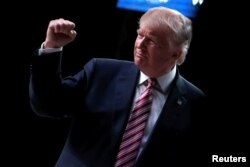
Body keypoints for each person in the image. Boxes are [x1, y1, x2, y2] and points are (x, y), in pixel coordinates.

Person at [29, 6, 207, 167]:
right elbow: (47, 104)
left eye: (151, 40)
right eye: (139, 35)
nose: (139, 45)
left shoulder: (195, 102)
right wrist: (52, 47)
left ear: (175, 53)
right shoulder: (100, 72)